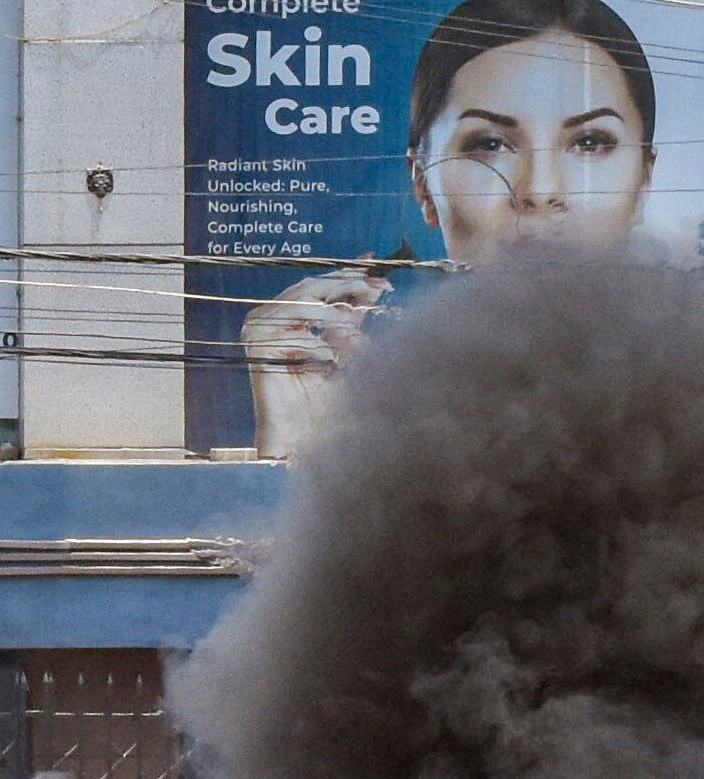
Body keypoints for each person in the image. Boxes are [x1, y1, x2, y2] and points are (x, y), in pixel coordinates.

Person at [240, 0, 663, 451]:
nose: (539, 192)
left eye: (589, 142)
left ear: (645, 179)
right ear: (423, 184)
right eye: (491, 143)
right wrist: (303, 446)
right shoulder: (384, 409)